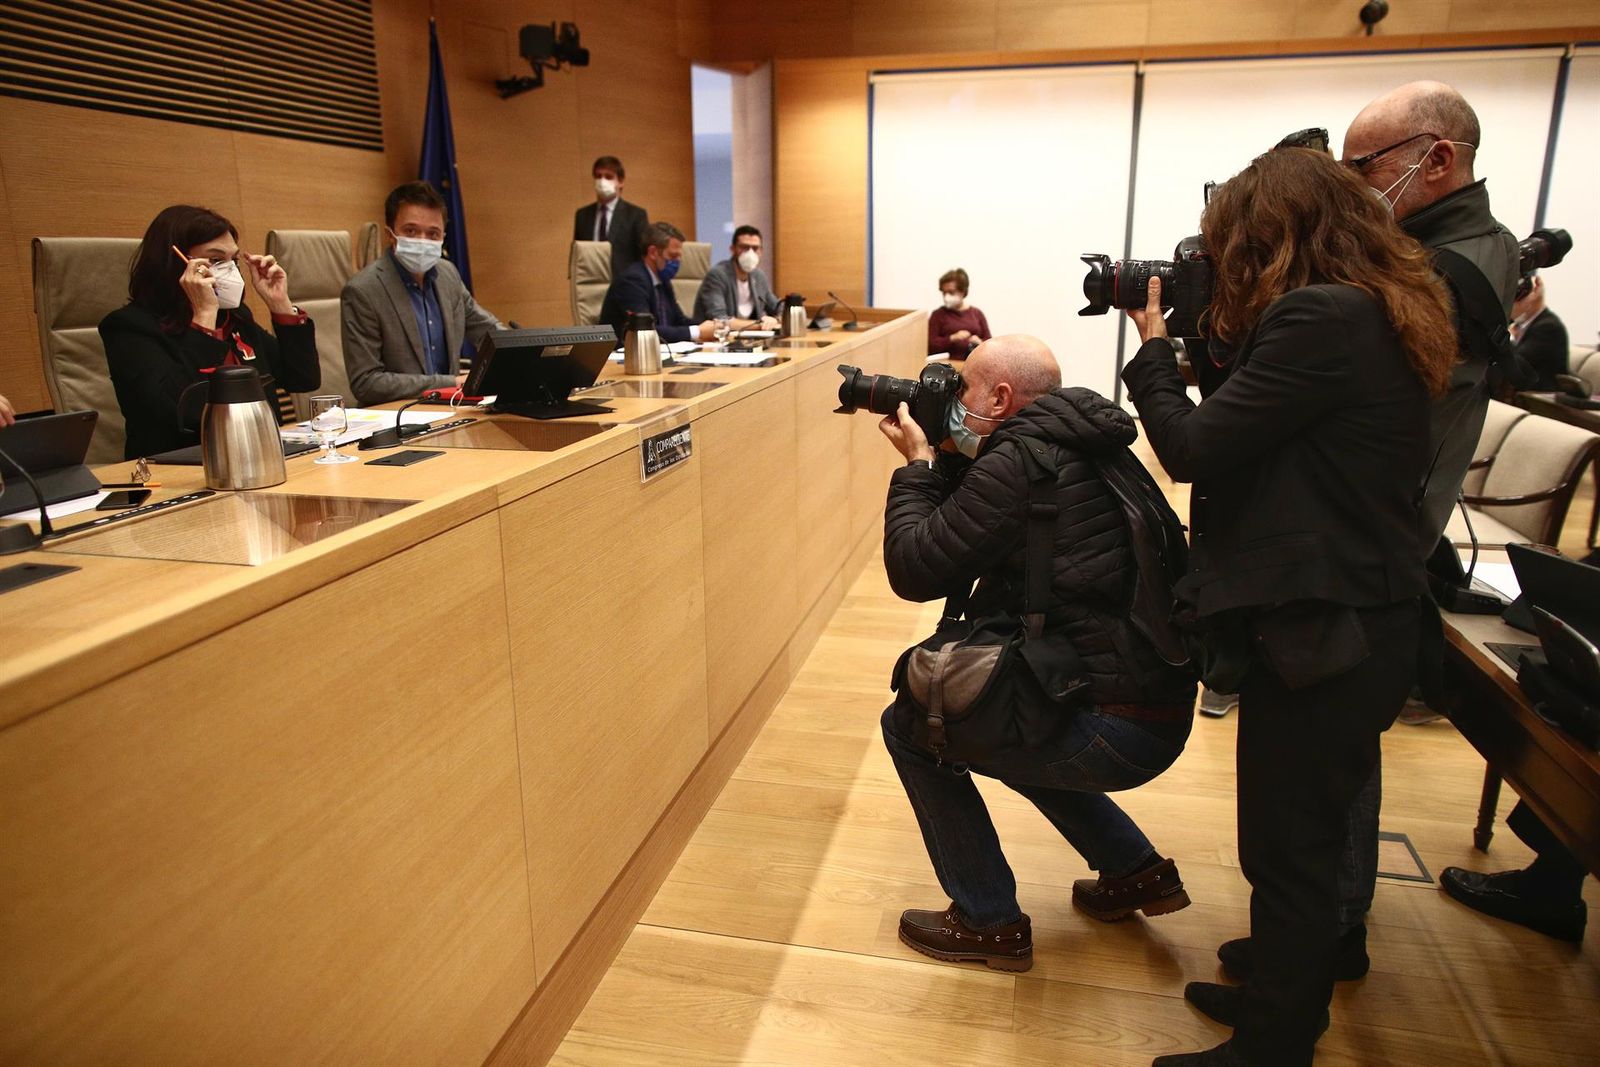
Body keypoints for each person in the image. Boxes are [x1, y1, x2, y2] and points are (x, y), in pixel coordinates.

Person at [1122, 147, 1456, 1066]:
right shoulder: (1371, 307)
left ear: (1271, 235)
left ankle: (1274, 1043)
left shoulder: (1321, 317)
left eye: (1233, 242)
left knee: (1291, 849)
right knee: (1288, 837)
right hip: (1344, 618)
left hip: (1328, 625)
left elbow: (1190, 445)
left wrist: (1154, 351)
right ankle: (1277, 990)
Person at [877, 333, 1198, 975]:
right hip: (1155, 704)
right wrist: (953, 454)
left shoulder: (1018, 462)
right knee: (1006, 717)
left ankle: (987, 921)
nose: (952, 400)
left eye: (962, 388)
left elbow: (914, 567)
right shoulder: (1087, 437)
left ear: (999, 397)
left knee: (914, 730)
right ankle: (1134, 871)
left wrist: (918, 465)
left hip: (1116, 724)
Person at [100, 205, 319, 459]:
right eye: (215, 260)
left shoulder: (235, 318)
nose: (230, 271)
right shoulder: (129, 328)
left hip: (259, 458)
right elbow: (181, 413)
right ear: (175, 265)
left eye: (233, 260)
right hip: (180, 470)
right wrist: (203, 319)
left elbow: (303, 379)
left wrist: (280, 304)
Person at [342, 181, 502, 406]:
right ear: (391, 234)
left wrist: (523, 353)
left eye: (432, 234)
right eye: (410, 231)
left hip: (452, 410)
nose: (422, 241)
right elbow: (367, 383)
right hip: (397, 417)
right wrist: (451, 382)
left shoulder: (448, 275)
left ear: (443, 237)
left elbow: (489, 332)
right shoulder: (363, 290)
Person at [599, 222, 716, 344]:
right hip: (622, 357)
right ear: (653, 252)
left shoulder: (663, 281)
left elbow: (679, 320)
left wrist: (711, 327)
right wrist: (697, 331)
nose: (678, 261)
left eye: (679, 257)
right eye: (673, 255)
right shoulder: (632, 281)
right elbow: (644, 330)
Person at [574, 155, 650, 279]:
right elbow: (578, 255)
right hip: (589, 283)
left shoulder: (636, 215)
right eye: (598, 176)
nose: (602, 181)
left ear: (620, 182)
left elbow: (643, 257)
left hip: (624, 285)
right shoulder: (582, 215)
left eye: (608, 177)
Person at [692, 225, 781, 329]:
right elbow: (719, 319)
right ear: (732, 249)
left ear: (761, 251)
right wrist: (759, 324)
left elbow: (778, 307)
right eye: (744, 247)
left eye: (755, 248)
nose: (750, 253)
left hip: (747, 340)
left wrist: (776, 319)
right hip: (714, 340)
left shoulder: (759, 276)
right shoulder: (717, 275)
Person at [1510, 274, 1570, 391]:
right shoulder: (1520, 326)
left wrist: (1508, 337)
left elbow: (1515, 363)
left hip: (1537, 398)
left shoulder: (1549, 327)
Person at [927, 269, 991, 358]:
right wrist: (952, 338)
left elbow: (990, 343)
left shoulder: (977, 313)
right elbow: (930, 345)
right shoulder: (938, 315)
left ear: (963, 291)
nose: (946, 297)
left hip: (974, 363)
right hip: (947, 366)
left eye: (951, 292)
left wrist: (979, 342)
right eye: (944, 292)